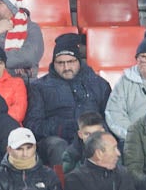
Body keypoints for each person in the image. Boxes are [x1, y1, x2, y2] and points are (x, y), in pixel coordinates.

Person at [24, 33, 113, 165]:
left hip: (91, 136)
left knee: (106, 144)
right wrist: (61, 127)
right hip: (57, 139)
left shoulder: (99, 84)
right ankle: (66, 185)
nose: (66, 68)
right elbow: (33, 124)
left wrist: (94, 131)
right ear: (53, 63)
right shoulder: (40, 87)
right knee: (58, 146)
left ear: (79, 61)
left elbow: (110, 119)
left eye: (71, 62)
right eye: (60, 63)